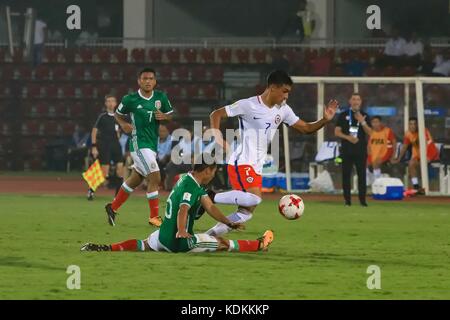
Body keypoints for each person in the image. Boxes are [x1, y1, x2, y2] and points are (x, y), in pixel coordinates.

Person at [205, 70, 338, 237]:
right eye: (285, 91)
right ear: (273, 88)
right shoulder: (248, 105)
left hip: (256, 166)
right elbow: (216, 114)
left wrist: (325, 120)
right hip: (242, 161)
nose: (286, 96)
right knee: (255, 197)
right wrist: (217, 137)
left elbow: (306, 128)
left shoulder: (283, 110)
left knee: (247, 212)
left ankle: (209, 236)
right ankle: (206, 197)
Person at [81, 160, 274, 253]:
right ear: (206, 170)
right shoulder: (191, 187)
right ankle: (259, 245)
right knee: (222, 244)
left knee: (144, 244)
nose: (214, 175)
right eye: (213, 172)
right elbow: (183, 208)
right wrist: (182, 231)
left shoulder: (185, 179)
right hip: (179, 242)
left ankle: (107, 248)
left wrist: (228, 222)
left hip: (163, 235)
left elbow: (210, 207)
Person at [105, 68, 173, 227]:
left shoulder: (161, 97)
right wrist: (123, 124)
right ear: (139, 81)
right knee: (155, 176)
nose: (148, 81)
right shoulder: (130, 99)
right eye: (145, 78)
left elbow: (170, 115)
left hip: (151, 144)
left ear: (155, 81)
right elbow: (117, 114)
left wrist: (165, 117)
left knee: (135, 180)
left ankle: (112, 207)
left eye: (151, 78)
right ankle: (154, 217)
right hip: (138, 143)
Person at [334, 93, 371, 207]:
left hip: (360, 150)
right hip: (346, 150)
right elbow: (336, 132)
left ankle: (363, 201)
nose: (356, 101)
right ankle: (347, 201)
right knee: (346, 176)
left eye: (358, 99)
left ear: (361, 102)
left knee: (362, 176)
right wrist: (348, 137)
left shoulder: (365, 115)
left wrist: (362, 121)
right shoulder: (343, 114)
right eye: (354, 99)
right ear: (350, 101)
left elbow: (370, 133)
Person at [89, 95, 124, 200]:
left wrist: (119, 134)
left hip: (116, 145)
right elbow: (94, 131)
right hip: (105, 145)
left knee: (120, 170)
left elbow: (119, 131)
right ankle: (91, 191)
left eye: (112, 101)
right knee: (104, 173)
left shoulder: (119, 117)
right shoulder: (102, 117)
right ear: (105, 103)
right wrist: (94, 146)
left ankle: (117, 196)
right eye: (108, 101)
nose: (110, 103)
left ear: (116, 103)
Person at [391, 117, 439, 193]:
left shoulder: (423, 131)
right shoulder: (408, 133)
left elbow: (430, 144)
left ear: (417, 125)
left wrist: (428, 157)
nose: (413, 126)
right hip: (417, 156)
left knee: (421, 165)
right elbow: (404, 147)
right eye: (411, 124)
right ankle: (416, 186)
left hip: (430, 153)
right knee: (411, 163)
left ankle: (427, 187)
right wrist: (398, 158)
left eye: (414, 124)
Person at [367, 116, 396, 180]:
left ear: (380, 122)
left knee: (375, 162)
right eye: (373, 122)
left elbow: (394, 143)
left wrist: (393, 156)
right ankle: (367, 181)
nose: (375, 124)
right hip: (374, 154)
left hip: (385, 153)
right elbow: (369, 146)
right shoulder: (371, 132)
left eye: (376, 122)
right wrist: (369, 155)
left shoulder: (387, 131)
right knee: (363, 163)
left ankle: (377, 181)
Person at [157, 124, 172, 188]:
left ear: (168, 132)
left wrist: (165, 157)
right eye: (160, 131)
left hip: (167, 159)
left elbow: (170, 153)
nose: (161, 133)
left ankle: (161, 183)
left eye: (163, 131)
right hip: (157, 159)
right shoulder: (156, 139)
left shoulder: (171, 140)